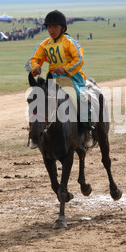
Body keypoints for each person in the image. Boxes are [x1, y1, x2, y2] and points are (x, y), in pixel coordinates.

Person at [26, 10, 93, 148]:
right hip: (52, 79)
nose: (51, 30)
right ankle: (35, 134)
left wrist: (65, 68)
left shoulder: (69, 42)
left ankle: (87, 133)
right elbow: (34, 59)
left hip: (72, 77)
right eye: (49, 27)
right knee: (38, 99)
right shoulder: (44, 44)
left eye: (55, 27)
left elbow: (79, 58)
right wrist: (35, 67)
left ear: (63, 28)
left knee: (82, 99)